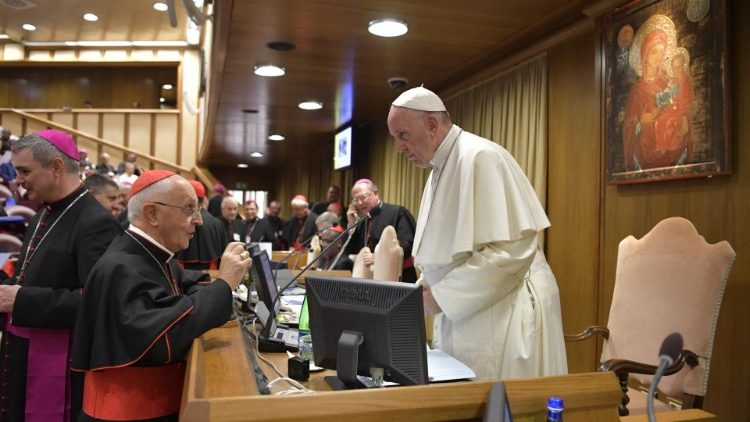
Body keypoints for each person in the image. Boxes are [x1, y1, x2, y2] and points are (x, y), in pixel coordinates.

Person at [387, 86, 567, 380]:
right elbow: (447, 252)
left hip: (507, 310)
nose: (399, 147)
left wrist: (439, 296)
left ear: (431, 124)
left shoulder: (480, 156)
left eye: (403, 135)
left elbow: (512, 251)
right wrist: (422, 289)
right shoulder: (440, 168)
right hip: (470, 309)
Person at [71, 170, 251, 421]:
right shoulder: (121, 267)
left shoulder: (149, 254)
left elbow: (192, 283)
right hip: (129, 412)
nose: (198, 221)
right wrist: (225, 283)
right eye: (189, 209)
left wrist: (216, 287)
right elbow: (165, 335)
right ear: (152, 213)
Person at [0, 130, 121, 420]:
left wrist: (22, 300)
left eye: (25, 171)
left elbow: (97, 303)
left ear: (56, 167)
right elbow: (31, 275)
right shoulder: (45, 211)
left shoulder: (96, 223)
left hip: (57, 361)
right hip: (23, 348)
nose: (18, 180)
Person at [339, 179, 417, 283]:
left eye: (363, 197)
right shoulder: (362, 222)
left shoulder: (397, 212)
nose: (360, 203)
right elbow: (349, 251)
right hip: (368, 279)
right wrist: (352, 225)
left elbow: (408, 243)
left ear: (375, 193)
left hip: (398, 277)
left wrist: (380, 257)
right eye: (355, 200)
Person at [176, 180, 227, 270]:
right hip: (211, 276)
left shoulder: (179, 220)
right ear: (204, 199)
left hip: (183, 275)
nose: (199, 221)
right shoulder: (218, 223)